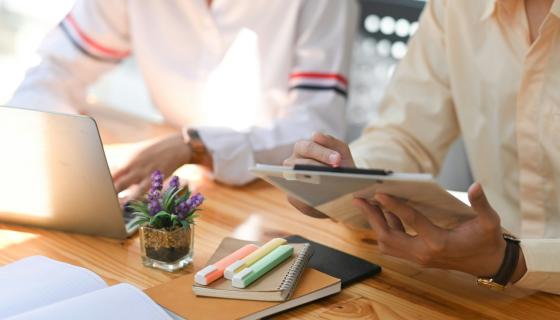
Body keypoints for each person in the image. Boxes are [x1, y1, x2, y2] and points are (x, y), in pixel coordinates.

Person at [284, 0, 560, 295]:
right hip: (492, 289)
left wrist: (512, 261)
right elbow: (406, 136)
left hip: (495, 272)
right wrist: (341, 179)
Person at [8, 0, 358, 193]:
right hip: (170, 177)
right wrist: (32, 144)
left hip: (276, 196)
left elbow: (316, 136)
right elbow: (57, 69)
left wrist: (196, 146)